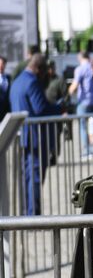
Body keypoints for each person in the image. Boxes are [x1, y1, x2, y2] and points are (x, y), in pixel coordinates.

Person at [9, 52, 62, 215]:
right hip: (36, 137)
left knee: (28, 177)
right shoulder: (32, 83)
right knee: (35, 177)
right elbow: (41, 108)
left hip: (23, 137)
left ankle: (28, 212)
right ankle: (34, 214)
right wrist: (60, 108)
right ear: (39, 68)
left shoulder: (17, 82)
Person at [68, 50, 93, 156]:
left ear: (80, 58)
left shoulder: (80, 69)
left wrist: (69, 92)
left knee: (83, 127)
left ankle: (87, 151)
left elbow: (75, 85)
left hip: (83, 102)